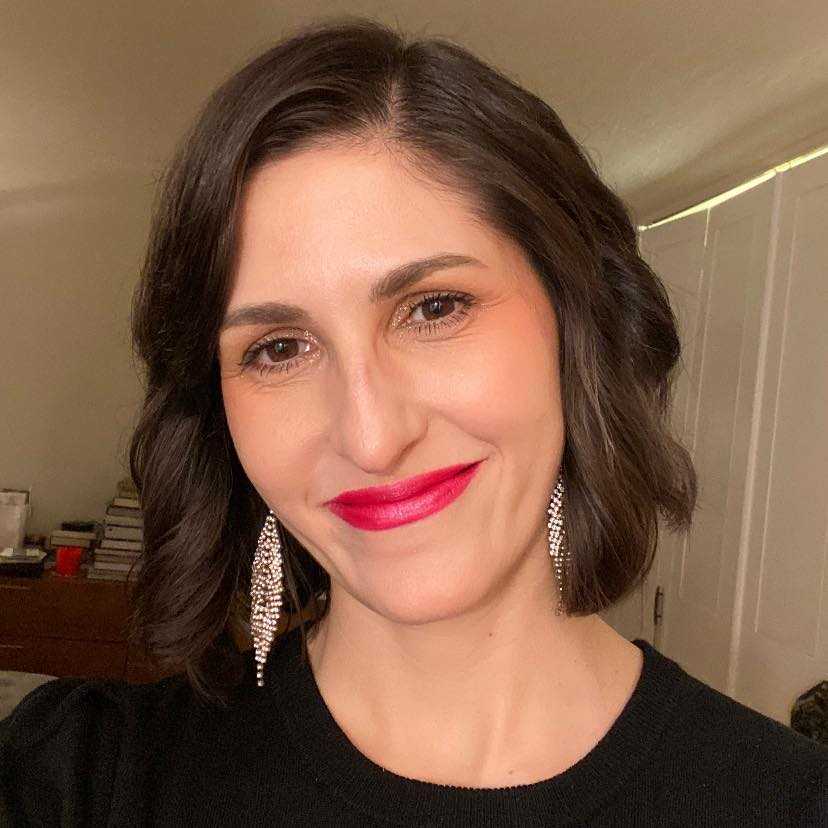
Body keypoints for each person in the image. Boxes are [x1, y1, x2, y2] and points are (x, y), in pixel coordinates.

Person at [1, 15, 826, 827]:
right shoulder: (79, 778)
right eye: (280, 348)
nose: (370, 434)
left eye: (433, 307)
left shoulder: (790, 802)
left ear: (581, 325)